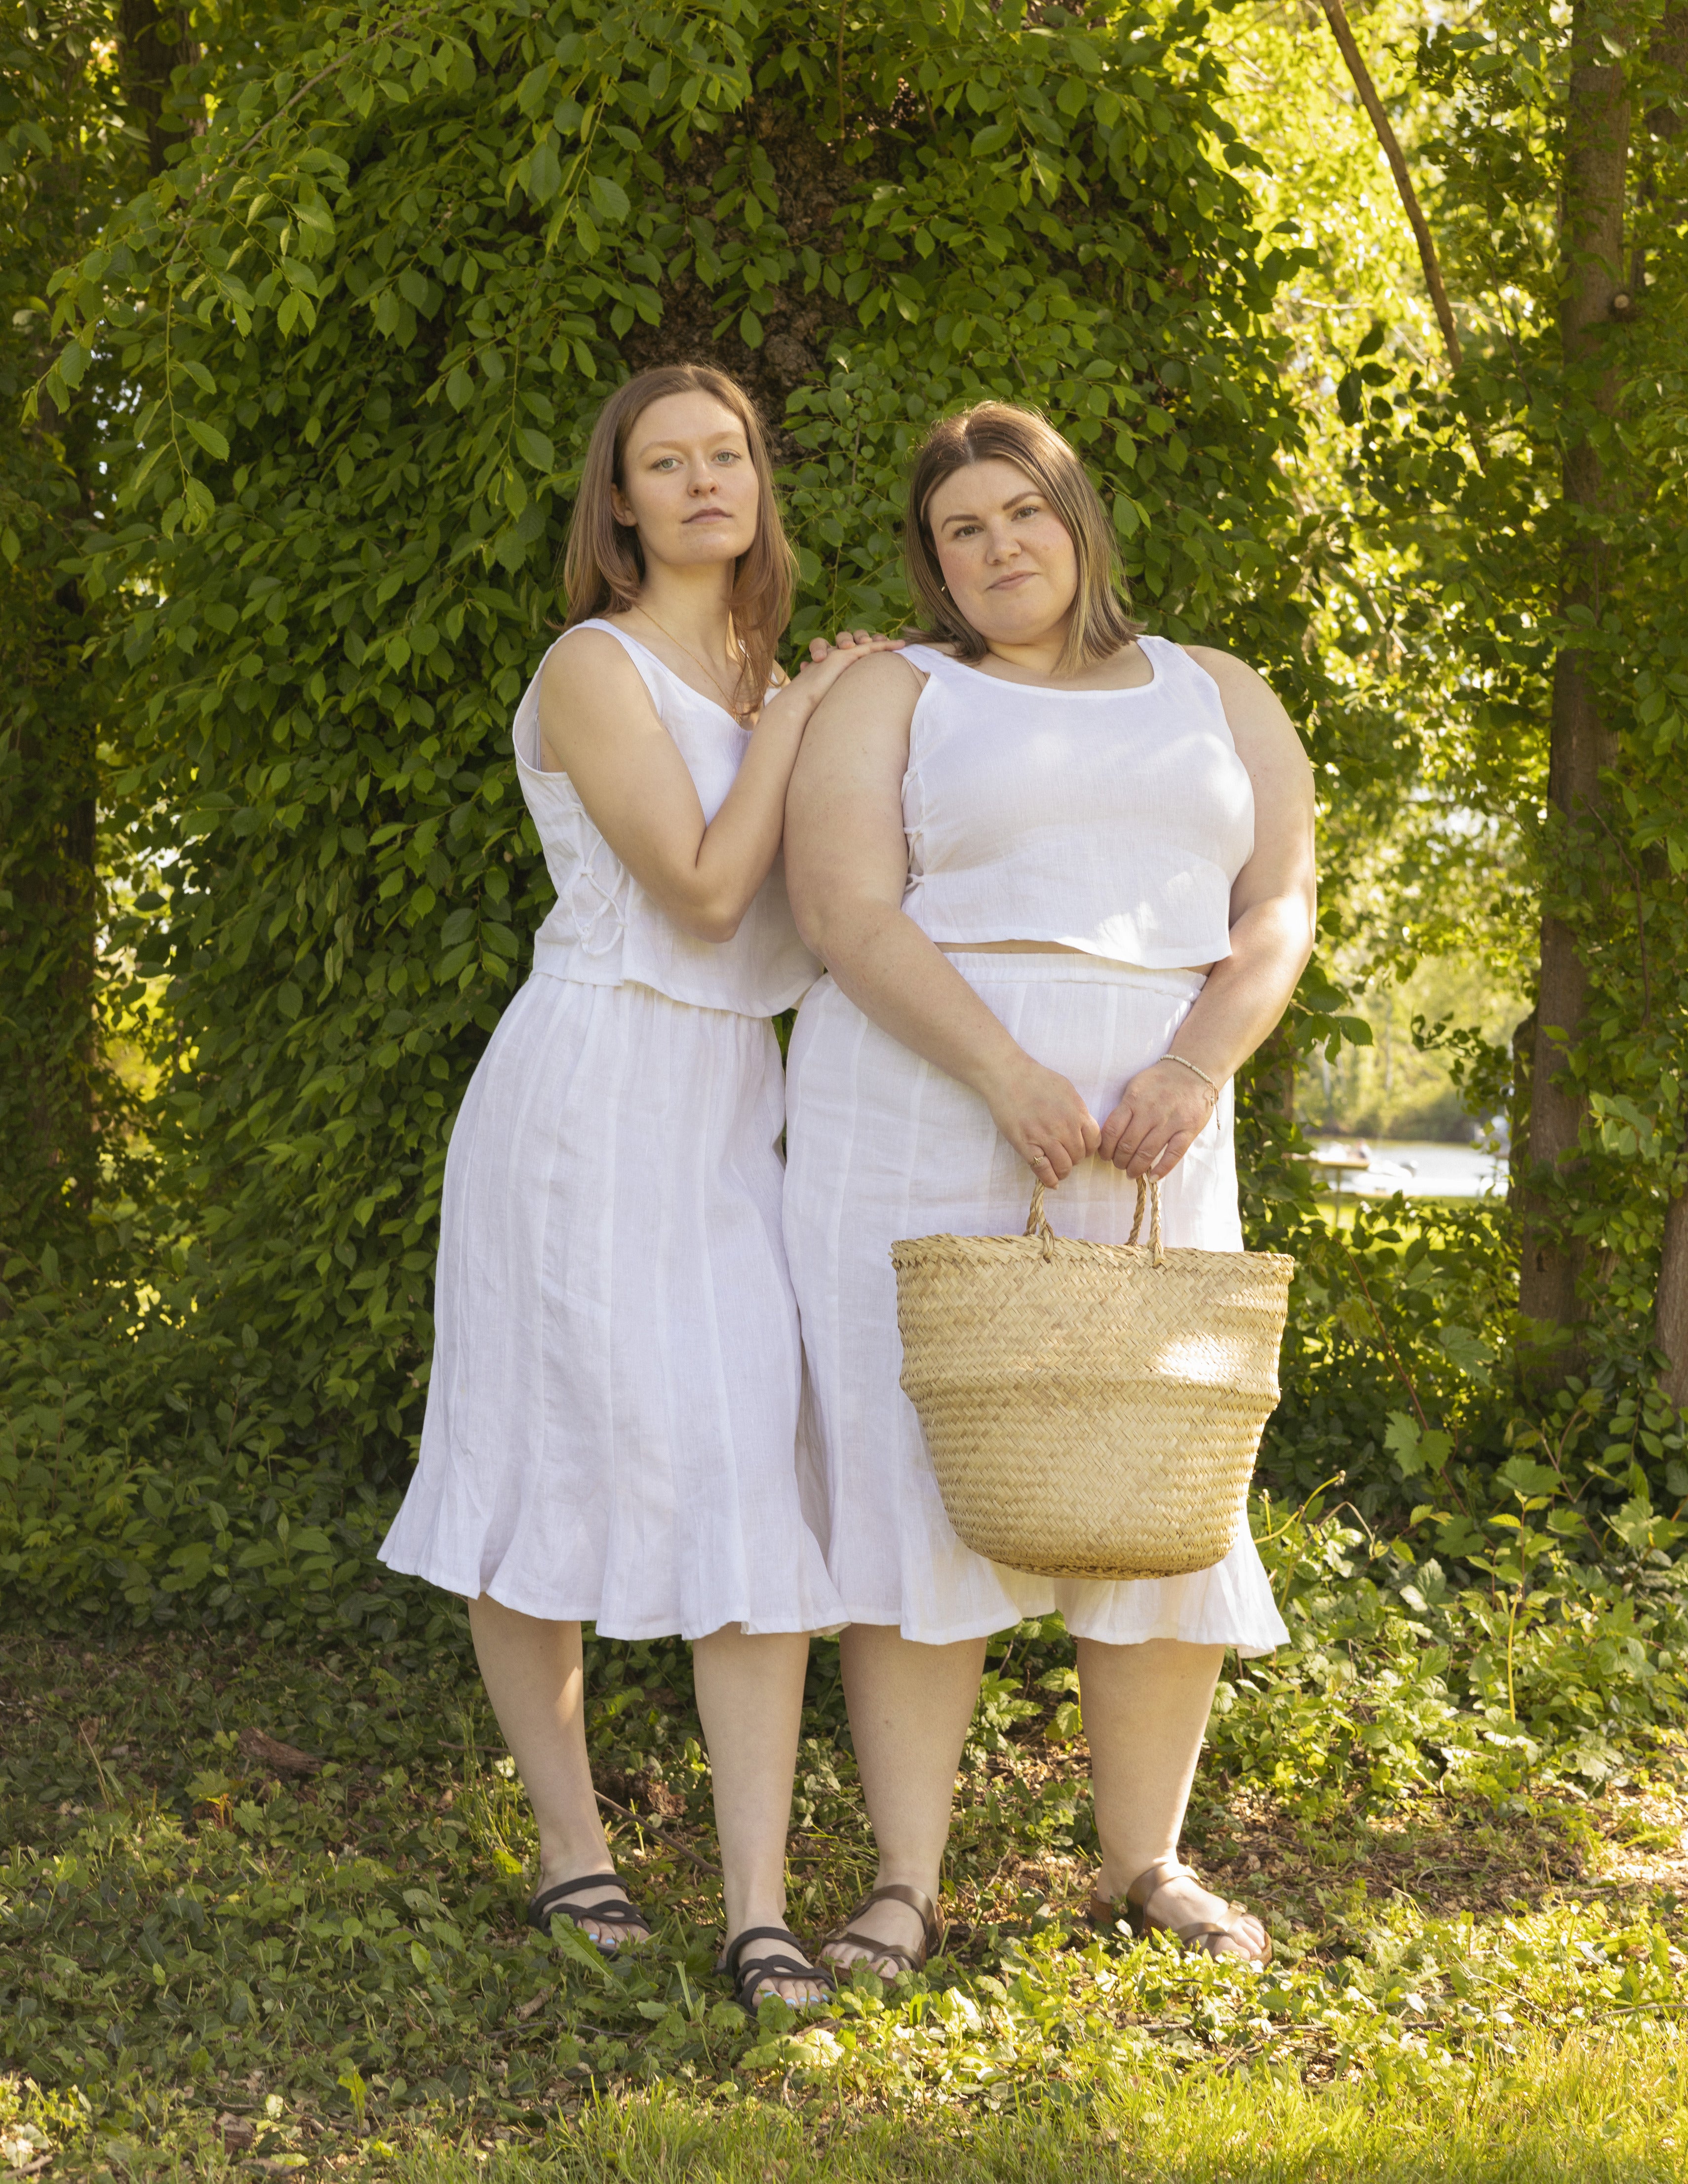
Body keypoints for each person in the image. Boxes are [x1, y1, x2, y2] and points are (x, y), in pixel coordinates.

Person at [381, 363, 897, 2012]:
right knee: (543, 1462)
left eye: (724, 455)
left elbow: (821, 919)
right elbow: (691, 891)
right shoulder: (593, 665)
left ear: (759, 480)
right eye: (662, 464)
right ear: (617, 504)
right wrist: (805, 721)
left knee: (753, 1465)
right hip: (589, 1095)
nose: (700, 483)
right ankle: (573, 1845)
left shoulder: (760, 665)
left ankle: (757, 1910)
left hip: (732, 1105)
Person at [781, 401, 1315, 1978]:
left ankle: (1142, 1861)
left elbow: (1275, 902)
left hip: (1156, 1112)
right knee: (917, 1459)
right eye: (962, 529)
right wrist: (1005, 1072)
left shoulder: (1216, 690)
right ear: (933, 564)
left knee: (1160, 1460)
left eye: (1021, 512)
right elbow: (841, 908)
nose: (999, 545)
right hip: (926, 1097)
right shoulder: (896, 690)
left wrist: (1193, 1066)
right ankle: (901, 1883)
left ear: (1077, 521)